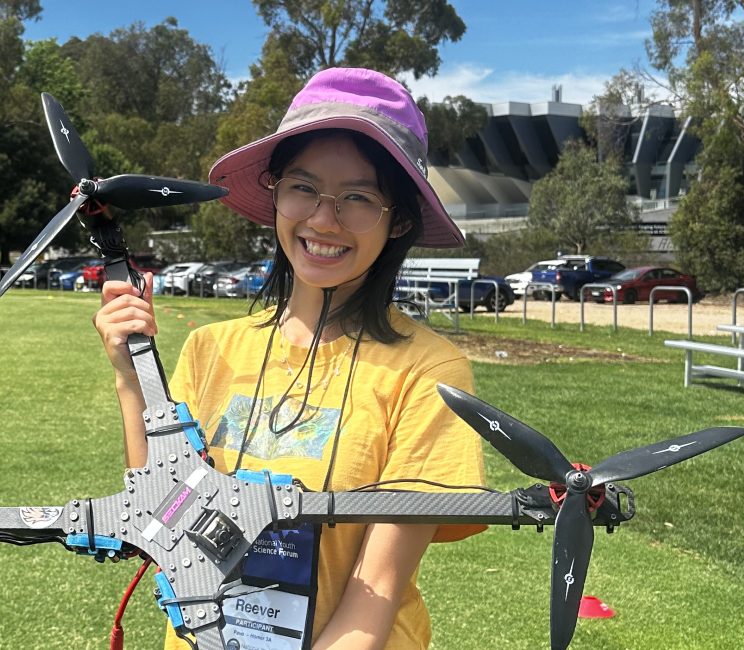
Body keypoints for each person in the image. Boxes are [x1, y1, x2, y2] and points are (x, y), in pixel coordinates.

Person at [94, 68, 485, 650]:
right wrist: (131, 376)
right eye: (303, 187)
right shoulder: (211, 348)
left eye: (358, 197)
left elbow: (373, 593)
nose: (323, 220)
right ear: (277, 193)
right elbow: (164, 505)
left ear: (398, 219)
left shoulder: (428, 373)